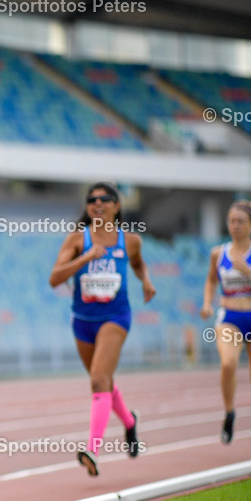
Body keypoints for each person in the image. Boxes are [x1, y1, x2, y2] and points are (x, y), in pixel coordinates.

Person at [49, 183, 156, 476]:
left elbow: (138, 265)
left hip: (116, 317)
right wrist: (85, 258)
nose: (97, 204)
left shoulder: (130, 240)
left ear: (117, 206)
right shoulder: (77, 239)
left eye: (104, 199)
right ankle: (130, 422)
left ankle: (92, 451)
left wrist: (146, 280)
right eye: (91, 199)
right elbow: (54, 278)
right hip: (83, 321)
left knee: (98, 379)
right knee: (103, 381)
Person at [200, 200, 251, 456]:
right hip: (229, 316)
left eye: (241, 222)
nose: (235, 226)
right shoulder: (218, 253)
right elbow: (211, 281)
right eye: (232, 221)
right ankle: (229, 411)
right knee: (228, 364)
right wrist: (207, 303)